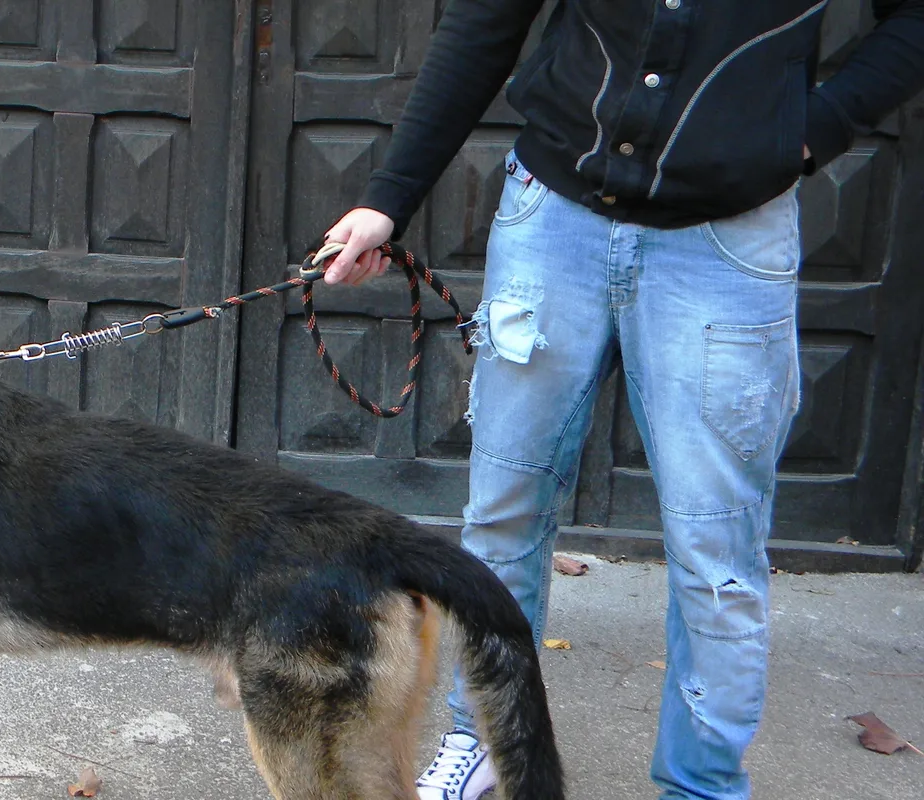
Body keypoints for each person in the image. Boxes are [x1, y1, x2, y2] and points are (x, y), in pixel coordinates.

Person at [318, 2, 924, 798]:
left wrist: (817, 124)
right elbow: (483, 22)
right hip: (553, 217)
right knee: (501, 515)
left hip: (728, 242)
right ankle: (485, 744)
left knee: (719, 555)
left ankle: (700, 784)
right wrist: (388, 198)